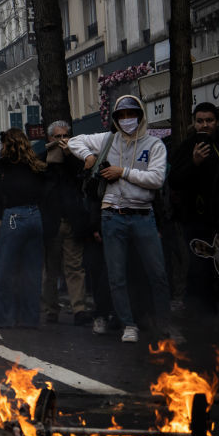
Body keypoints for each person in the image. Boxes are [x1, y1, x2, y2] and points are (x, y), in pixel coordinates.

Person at [68, 94, 173, 343]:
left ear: (140, 116)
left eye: (131, 114)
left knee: (157, 273)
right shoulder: (108, 140)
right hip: (112, 215)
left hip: (143, 216)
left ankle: (165, 324)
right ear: (115, 119)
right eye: (122, 115)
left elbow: (156, 179)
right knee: (116, 275)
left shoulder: (154, 145)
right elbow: (74, 141)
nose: (127, 120)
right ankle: (128, 324)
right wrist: (89, 156)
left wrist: (122, 172)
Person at [0, 129, 47, 328]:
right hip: (35, 216)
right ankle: (30, 318)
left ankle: (3, 318)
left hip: (14, 217)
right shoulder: (36, 164)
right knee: (31, 271)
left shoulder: (4, 164)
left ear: (8, 145)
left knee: (6, 270)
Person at [169, 102, 219, 314]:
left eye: (209, 121)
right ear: (194, 123)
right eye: (200, 121)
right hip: (196, 220)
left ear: (217, 122)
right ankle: (203, 314)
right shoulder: (187, 147)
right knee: (200, 267)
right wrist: (193, 163)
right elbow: (174, 180)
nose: (205, 125)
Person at [39, 121, 91, 326]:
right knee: (51, 269)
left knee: (75, 267)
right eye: (57, 137)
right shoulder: (42, 160)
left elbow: (81, 178)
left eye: (65, 136)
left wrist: (69, 157)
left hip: (72, 220)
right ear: (49, 139)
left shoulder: (75, 159)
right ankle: (51, 308)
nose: (61, 141)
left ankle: (79, 308)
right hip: (52, 222)